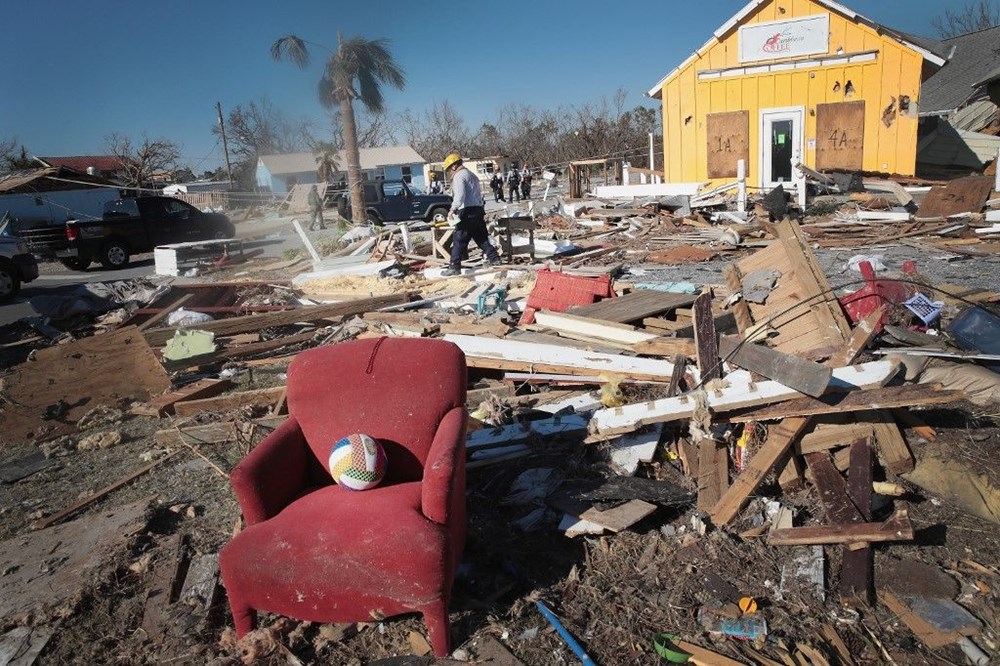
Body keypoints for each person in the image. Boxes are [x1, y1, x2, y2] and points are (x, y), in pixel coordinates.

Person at [440, 152, 502, 276]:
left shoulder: (459, 176)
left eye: (448, 170)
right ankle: (495, 259)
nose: (449, 173)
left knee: (459, 239)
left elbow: (460, 196)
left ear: (453, 166)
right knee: (481, 238)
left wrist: (452, 209)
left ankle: (454, 267)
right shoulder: (472, 175)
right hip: (478, 209)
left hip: (467, 211)